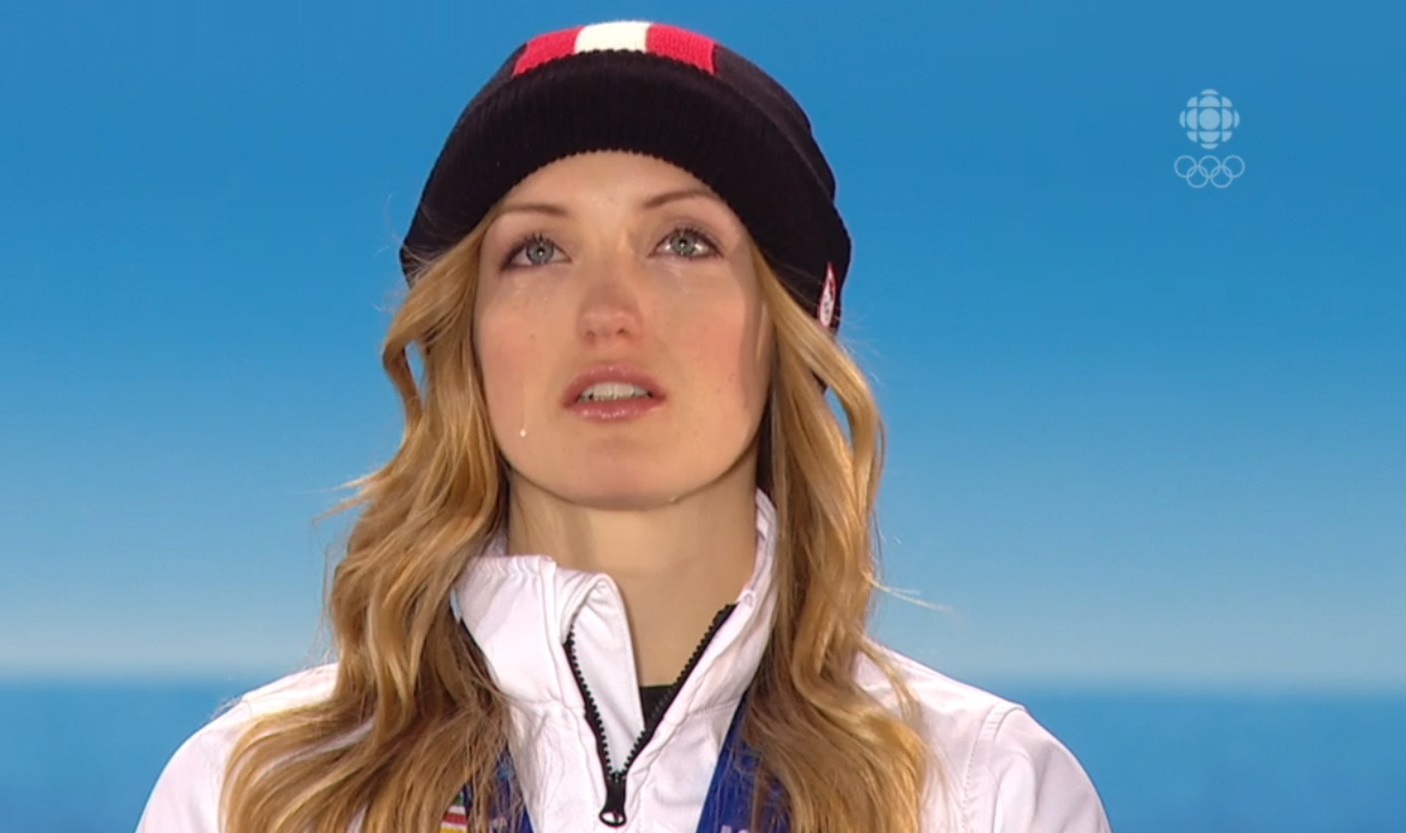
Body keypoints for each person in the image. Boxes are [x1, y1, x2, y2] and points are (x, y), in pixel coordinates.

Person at [135, 19, 1113, 833]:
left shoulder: (987, 794)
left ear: (790, 331)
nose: (608, 311)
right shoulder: (253, 792)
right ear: (467, 339)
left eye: (683, 242)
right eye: (538, 250)